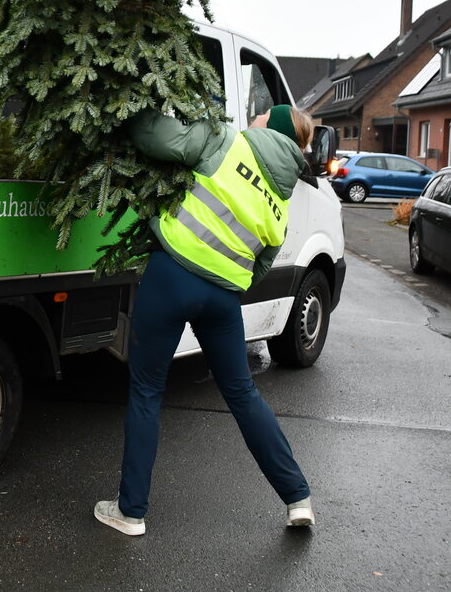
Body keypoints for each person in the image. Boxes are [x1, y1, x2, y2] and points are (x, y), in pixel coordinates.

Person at [94, 103, 317, 536]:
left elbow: (156, 139)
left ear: (272, 125)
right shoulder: (280, 204)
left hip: (172, 276)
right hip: (223, 299)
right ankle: (297, 497)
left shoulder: (227, 140)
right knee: (243, 394)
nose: (254, 117)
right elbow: (262, 265)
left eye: (262, 114)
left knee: (146, 391)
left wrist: (127, 108)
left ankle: (131, 511)